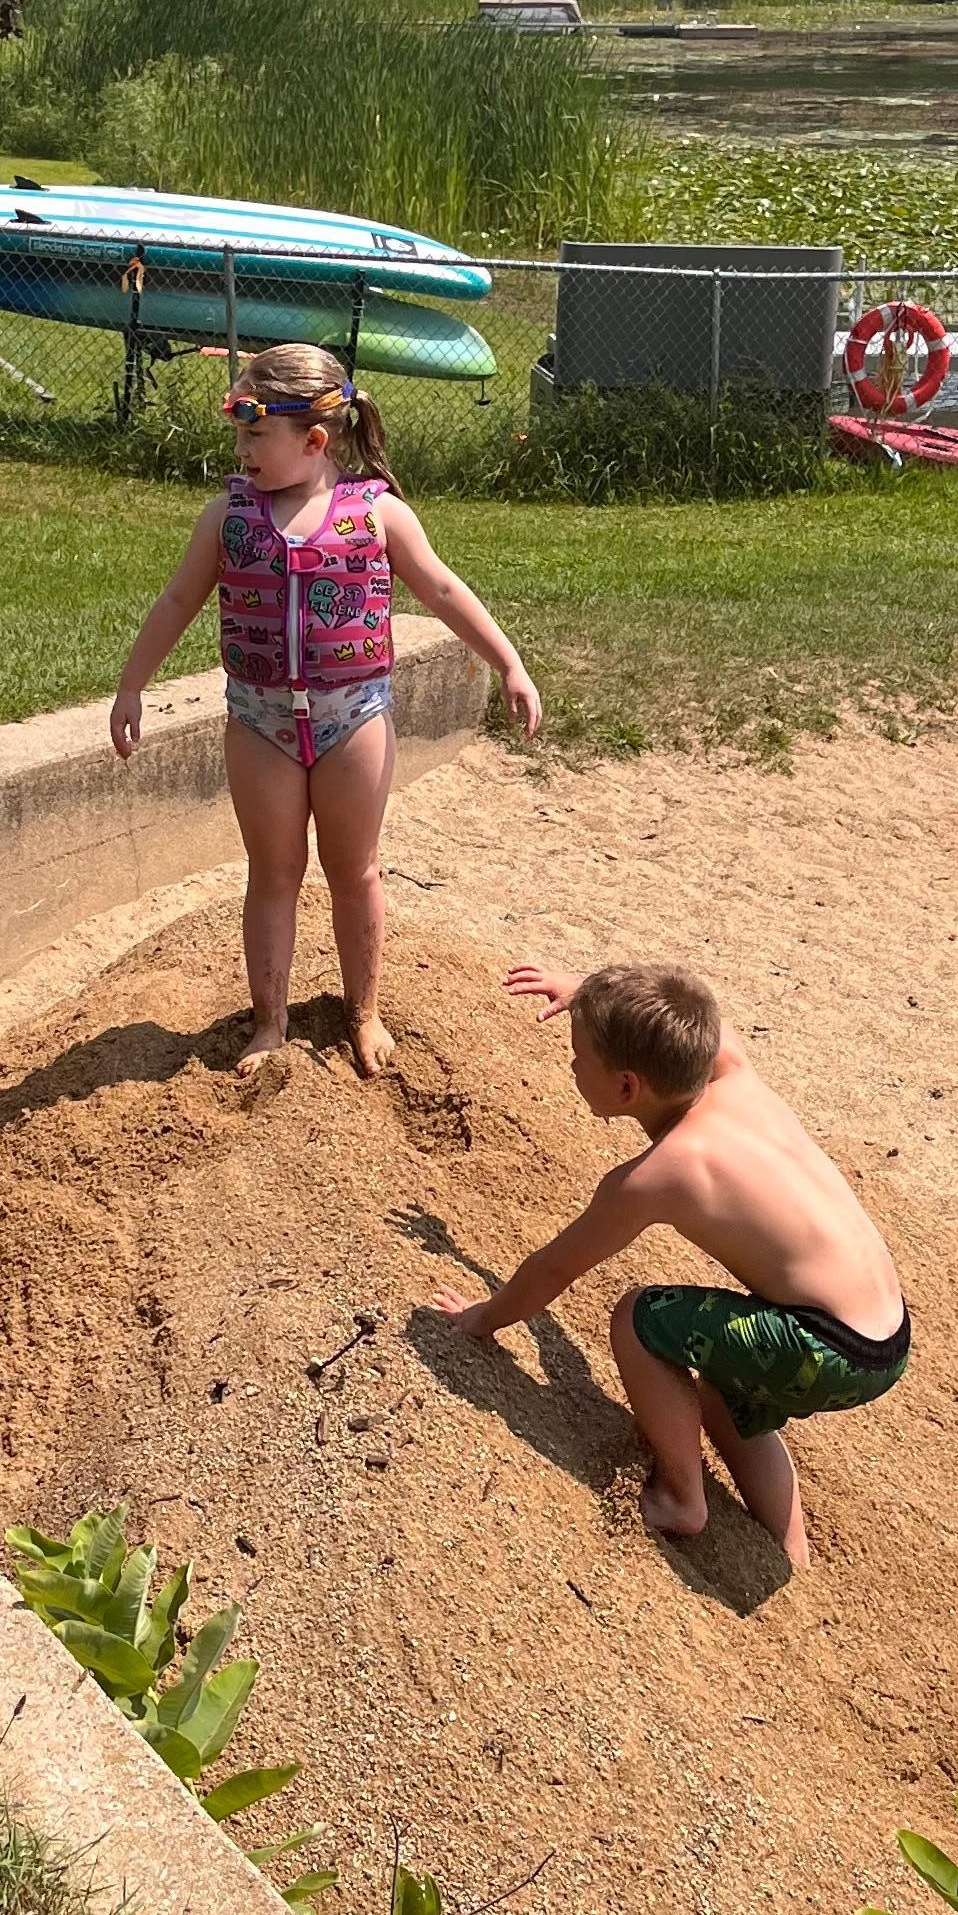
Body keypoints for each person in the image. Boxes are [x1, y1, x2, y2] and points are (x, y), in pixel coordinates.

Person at [107, 342, 542, 1074]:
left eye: (255, 436)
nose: (242, 450)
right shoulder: (229, 516)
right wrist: (131, 684)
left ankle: (363, 1011)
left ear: (313, 440)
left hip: (354, 717)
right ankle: (270, 1021)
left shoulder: (377, 513)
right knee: (272, 871)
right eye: (238, 435)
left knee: (354, 869)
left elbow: (441, 589)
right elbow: (180, 598)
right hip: (259, 721)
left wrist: (509, 662)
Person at [430, 957, 906, 1572]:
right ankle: (791, 1555)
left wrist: (480, 1320)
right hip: (884, 1332)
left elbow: (552, 1271)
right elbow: (687, 1015)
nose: (573, 1064)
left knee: (638, 1317)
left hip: (822, 1349)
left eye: (580, 1056)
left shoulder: (662, 1173)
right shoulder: (730, 1067)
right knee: (725, 1384)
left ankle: (684, 1498)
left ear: (627, 1087)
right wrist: (587, 993)